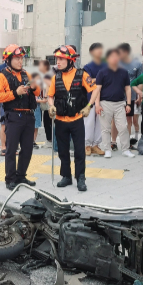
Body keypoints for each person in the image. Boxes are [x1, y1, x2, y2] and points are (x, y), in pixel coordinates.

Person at [47, 45, 99, 192]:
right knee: (62, 151)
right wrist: (51, 105)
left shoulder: (82, 75)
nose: (58, 62)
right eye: (57, 59)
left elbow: (94, 89)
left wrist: (89, 106)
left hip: (76, 120)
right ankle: (66, 176)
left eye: (62, 59)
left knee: (79, 150)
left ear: (71, 61)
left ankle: (80, 177)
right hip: (60, 120)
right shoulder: (55, 77)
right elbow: (50, 96)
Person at [0, 44, 40, 190]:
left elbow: (38, 92)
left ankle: (21, 176)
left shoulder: (27, 74)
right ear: (8, 59)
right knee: (11, 149)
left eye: (21, 58)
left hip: (29, 116)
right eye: (17, 58)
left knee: (27, 149)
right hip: (13, 116)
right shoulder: (1, 76)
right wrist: (15, 92)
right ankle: (10, 179)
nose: (20, 61)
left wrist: (34, 87)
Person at [95, 48, 135, 158]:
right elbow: (97, 89)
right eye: (112, 56)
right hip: (105, 103)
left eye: (116, 56)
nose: (114, 58)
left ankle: (126, 149)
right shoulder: (102, 72)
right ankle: (107, 149)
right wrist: (97, 105)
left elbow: (128, 89)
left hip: (120, 103)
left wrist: (128, 104)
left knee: (123, 127)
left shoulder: (124, 72)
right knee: (105, 128)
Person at [118, 43, 143, 146]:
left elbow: (140, 81)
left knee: (130, 119)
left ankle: (127, 142)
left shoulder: (137, 64)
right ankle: (114, 142)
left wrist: (139, 96)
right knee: (116, 121)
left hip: (131, 97)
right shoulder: (117, 63)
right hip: (117, 96)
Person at [83, 43, 105, 156]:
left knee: (100, 122)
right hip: (90, 99)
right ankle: (87, 145)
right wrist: (100, 80)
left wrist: (97, 80)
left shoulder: (107, 65)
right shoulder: (88, 67)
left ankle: (96, 145)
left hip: (104, 98)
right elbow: (88, 81)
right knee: (89, 122)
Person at [37, 59, 53, 147]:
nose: (39, 67)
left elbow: (48, 86)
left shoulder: (47, 75)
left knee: (48, 121)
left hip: (48, 102)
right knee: (48, 121)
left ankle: (50, 141)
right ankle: (50, 140)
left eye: (40, 65)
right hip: (48, 101)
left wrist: (46, 97)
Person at [30, 72, 44, 149]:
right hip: (33, 108)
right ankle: (30, 141)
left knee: (37, 126)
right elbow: (35, 99)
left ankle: (33, 141)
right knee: (33, 126)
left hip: (38, 108)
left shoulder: (39, 86)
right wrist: (43, 101)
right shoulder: (31, 86)